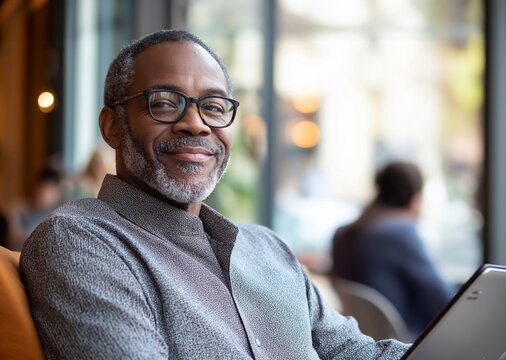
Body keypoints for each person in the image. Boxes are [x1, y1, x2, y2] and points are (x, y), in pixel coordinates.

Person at [19, 30, 409, 359]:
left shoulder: (268, 249)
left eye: (214, 106)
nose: (195, 124)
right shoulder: (80, 242)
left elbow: (359, 353)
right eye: (165, 103)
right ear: (113, 128)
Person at [331, 161, 457, 338]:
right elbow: (445, 299)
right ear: (415, 200)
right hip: (404, 345)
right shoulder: (400, 234)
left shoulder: (343, 234)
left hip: (358, 342)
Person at [6, 166, 63, 250]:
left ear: (57, 194)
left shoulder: (58, 213)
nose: (45, 195)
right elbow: (14, 241)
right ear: (35, 188)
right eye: (42, 189)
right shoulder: (18, 208)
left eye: (50, 191)